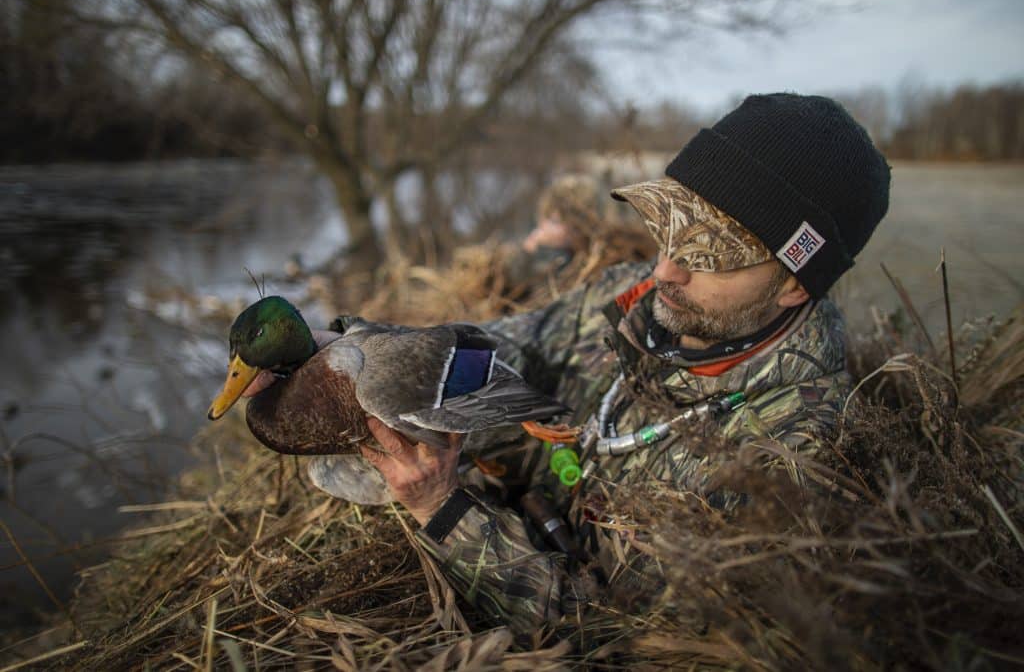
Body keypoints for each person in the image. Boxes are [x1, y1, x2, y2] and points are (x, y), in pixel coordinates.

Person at [293, 93, 892, 637]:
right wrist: (368, 349)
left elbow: (614, 631)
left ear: (793, 284)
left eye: (711, 256)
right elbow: (513, 343)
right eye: (670, 230)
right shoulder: (632, 297)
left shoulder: (787, 462)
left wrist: (442, 510)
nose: (664, 271)